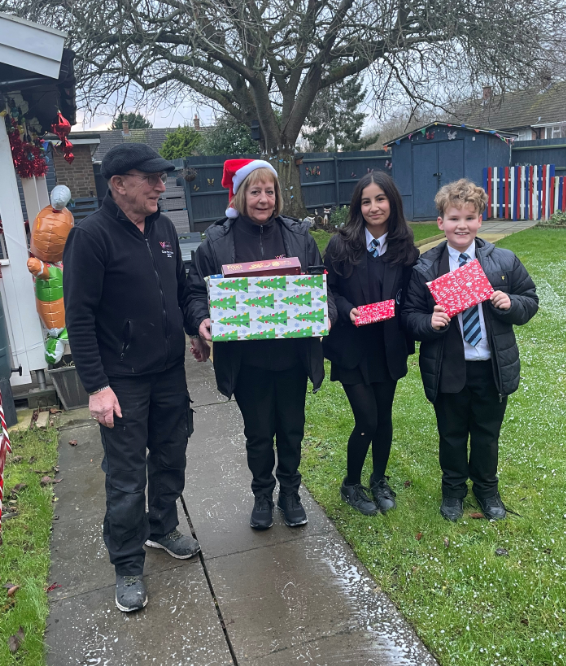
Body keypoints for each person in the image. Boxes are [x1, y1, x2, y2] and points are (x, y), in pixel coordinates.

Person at [63, 143, 209, 612]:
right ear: (119, 183)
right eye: (150, 178)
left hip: (169, 372)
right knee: (125, 478)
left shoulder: (164, 228)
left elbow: (183, 290)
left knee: (171, 455)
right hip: (121, 381)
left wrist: (197, 326)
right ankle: (127, 564)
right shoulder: (91, 236)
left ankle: (161, 527)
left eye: (162, 178)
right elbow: (79, 318)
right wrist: (96, 387)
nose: (161, 186)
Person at [187, 158, 337, 530]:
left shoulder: (298, 236)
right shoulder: (217, 241)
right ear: (241, 195)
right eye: (255, 191)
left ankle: (290, 492)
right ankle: (261, 494)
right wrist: (200, 320)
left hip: (291, 357)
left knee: (291, 429)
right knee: (257, 433)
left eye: (270, 191)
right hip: (247, 360)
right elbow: (194, 292)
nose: (264, 199)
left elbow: (321, 285)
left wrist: (326, 313)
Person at [402, 179, 538, 522]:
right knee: (450, 434)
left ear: (480, 220)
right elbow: (409, 316)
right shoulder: (426, 267)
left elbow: (530, 300)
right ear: (440, 223)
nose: (461, 225)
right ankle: (453, 490)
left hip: (490, 366)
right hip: (449, 366)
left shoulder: (503, 261)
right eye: (453, 218)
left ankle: (486, 489)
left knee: (486, 434)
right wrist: (428, 321)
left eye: (469, 218)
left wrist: (510, 303)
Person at [323, 172, 419, 516]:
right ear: (357, 206)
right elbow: (326, 289)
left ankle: (378, 479)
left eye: (380, 199)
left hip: (388, 344)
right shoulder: (340, 245)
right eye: (366, 201)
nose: (374, 207)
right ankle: (351, 483)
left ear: (392, 202)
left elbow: (411, 296)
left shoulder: (405, 248)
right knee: (367, 419)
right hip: (352, 346)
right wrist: (348, 311)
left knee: (385, 417)